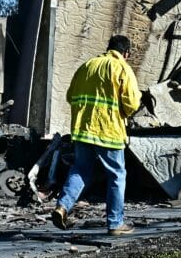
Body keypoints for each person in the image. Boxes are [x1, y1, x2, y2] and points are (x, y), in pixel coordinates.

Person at [51, 34, 142, 235]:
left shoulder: (88, 66)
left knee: (80, 170)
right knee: (117, 175)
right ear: (125, 53)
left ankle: (62, 206)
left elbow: (70, 96)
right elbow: (132, 103)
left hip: (83, 130)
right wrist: (124, 113)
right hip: (108, 131)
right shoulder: (122, 68)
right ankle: (115, 223)